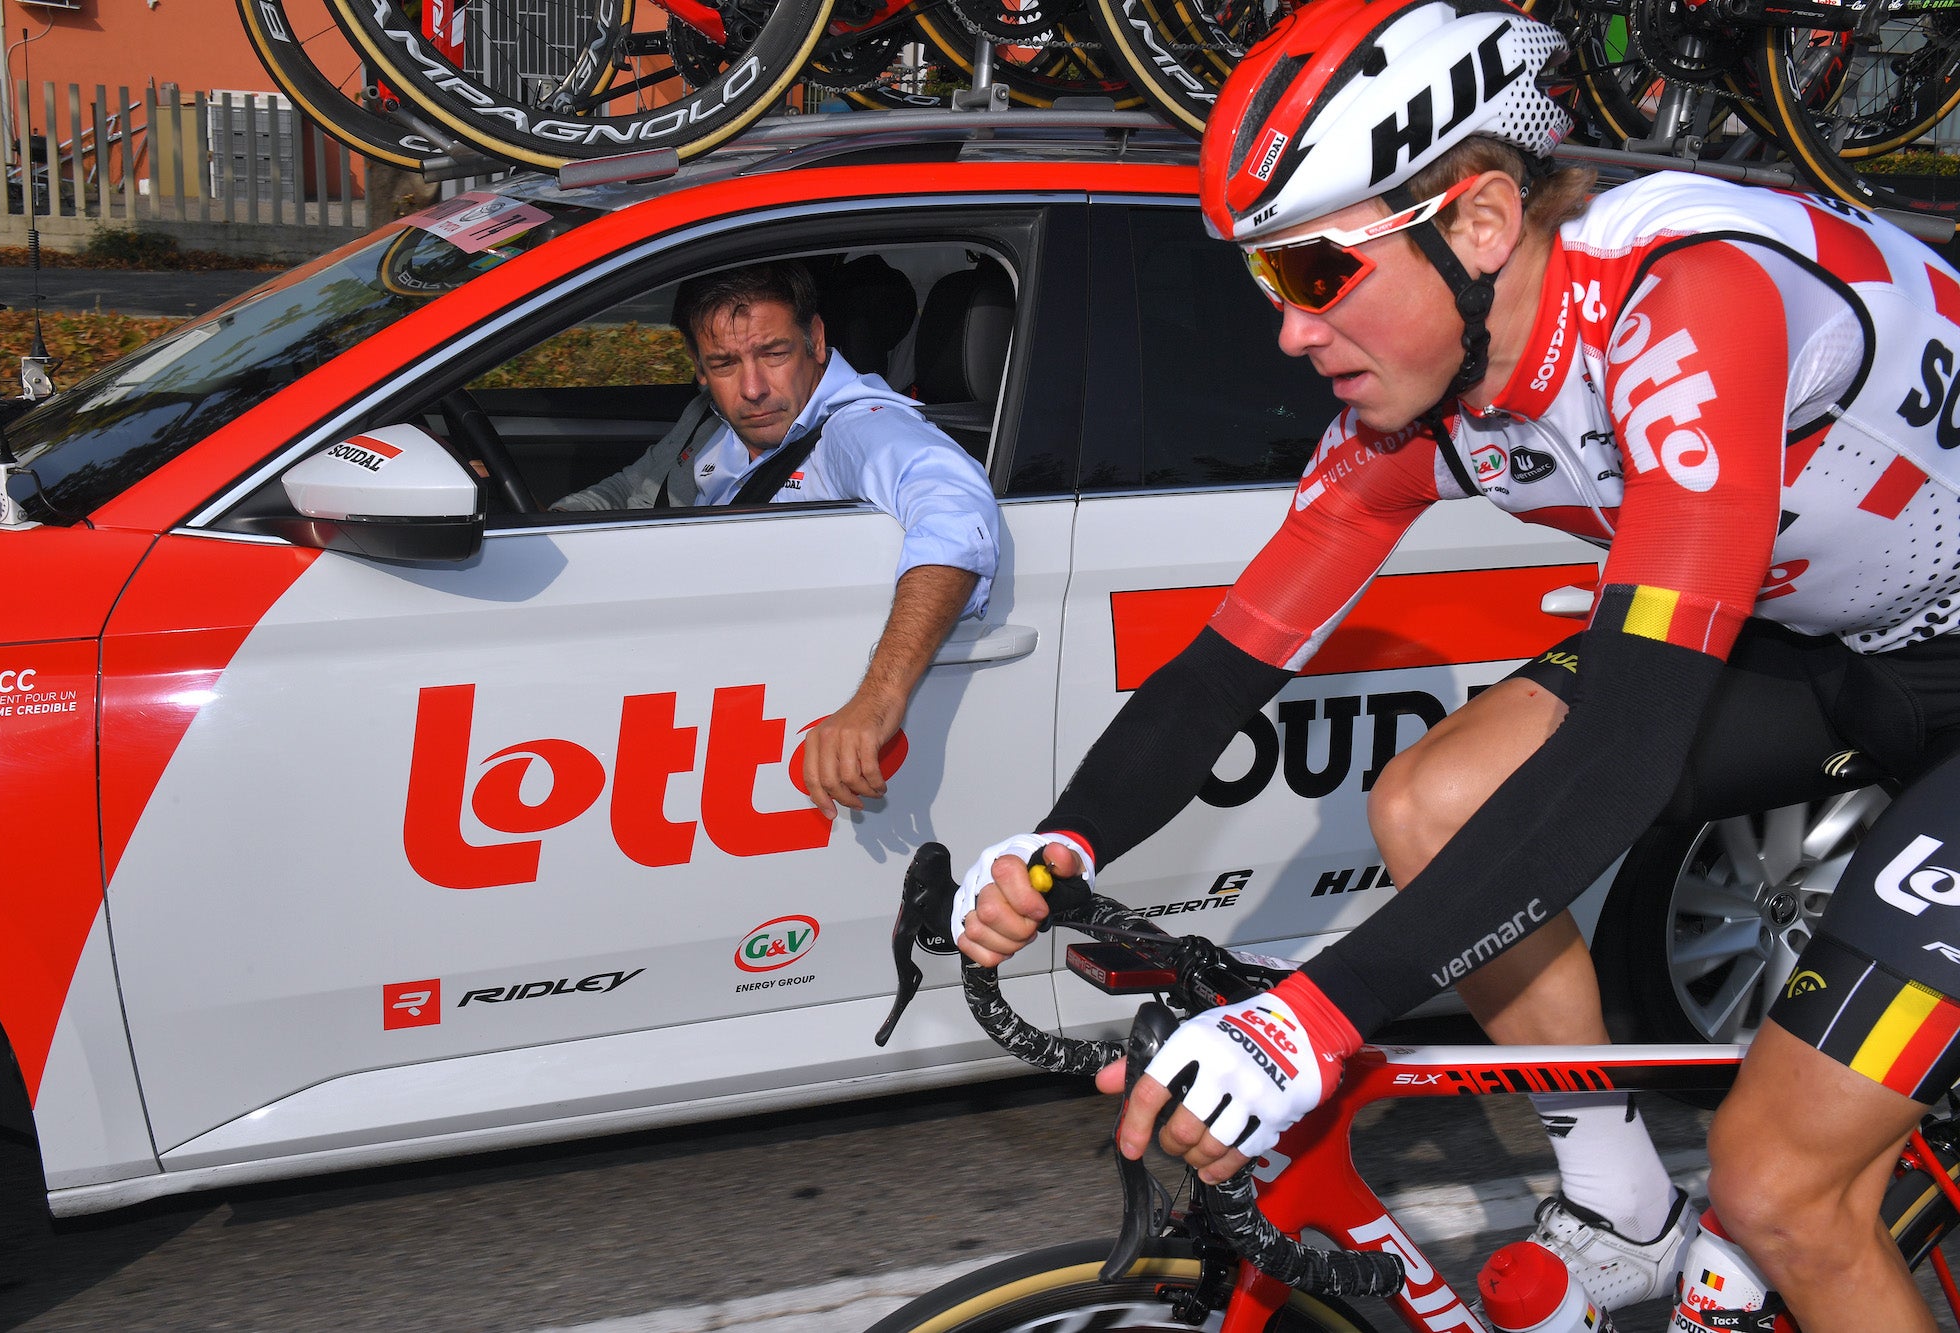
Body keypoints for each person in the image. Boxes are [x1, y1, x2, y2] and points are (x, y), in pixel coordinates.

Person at [949, 0, 1960, 1327]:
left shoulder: (1689, 301)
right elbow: (1220, 671)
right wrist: (1060, 844)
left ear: (1480, 222)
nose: (1290, 332)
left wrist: (1316, 1015)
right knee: (1432, 798)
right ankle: (1621, 1201)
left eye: (1314, 273)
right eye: (1264, 280)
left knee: (1782, 1189)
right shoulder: (1436, 395)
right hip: (1855, 642)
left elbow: (1624, 752)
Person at [560, 260, 1000, 819]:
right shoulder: (713, 419)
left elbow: (957, 518)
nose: (752, 388)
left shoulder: (855, 428)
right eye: (724, 363)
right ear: (698, 368)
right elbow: (633, 488)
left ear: (815, 340)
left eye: (774, 353)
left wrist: (878, 699)